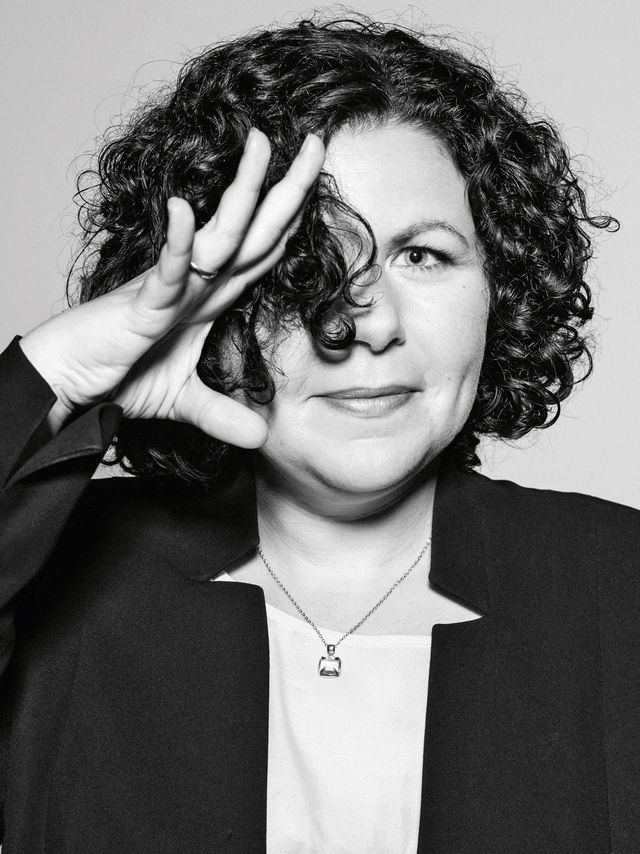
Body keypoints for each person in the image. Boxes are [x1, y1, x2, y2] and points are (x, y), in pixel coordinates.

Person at [0, 12, 638, 853]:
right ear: (214, 305)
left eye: (423, 256)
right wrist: (53, 373)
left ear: (501, 289)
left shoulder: (617, 586)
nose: (367, 324)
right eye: (305, 263)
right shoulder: (51, 580)